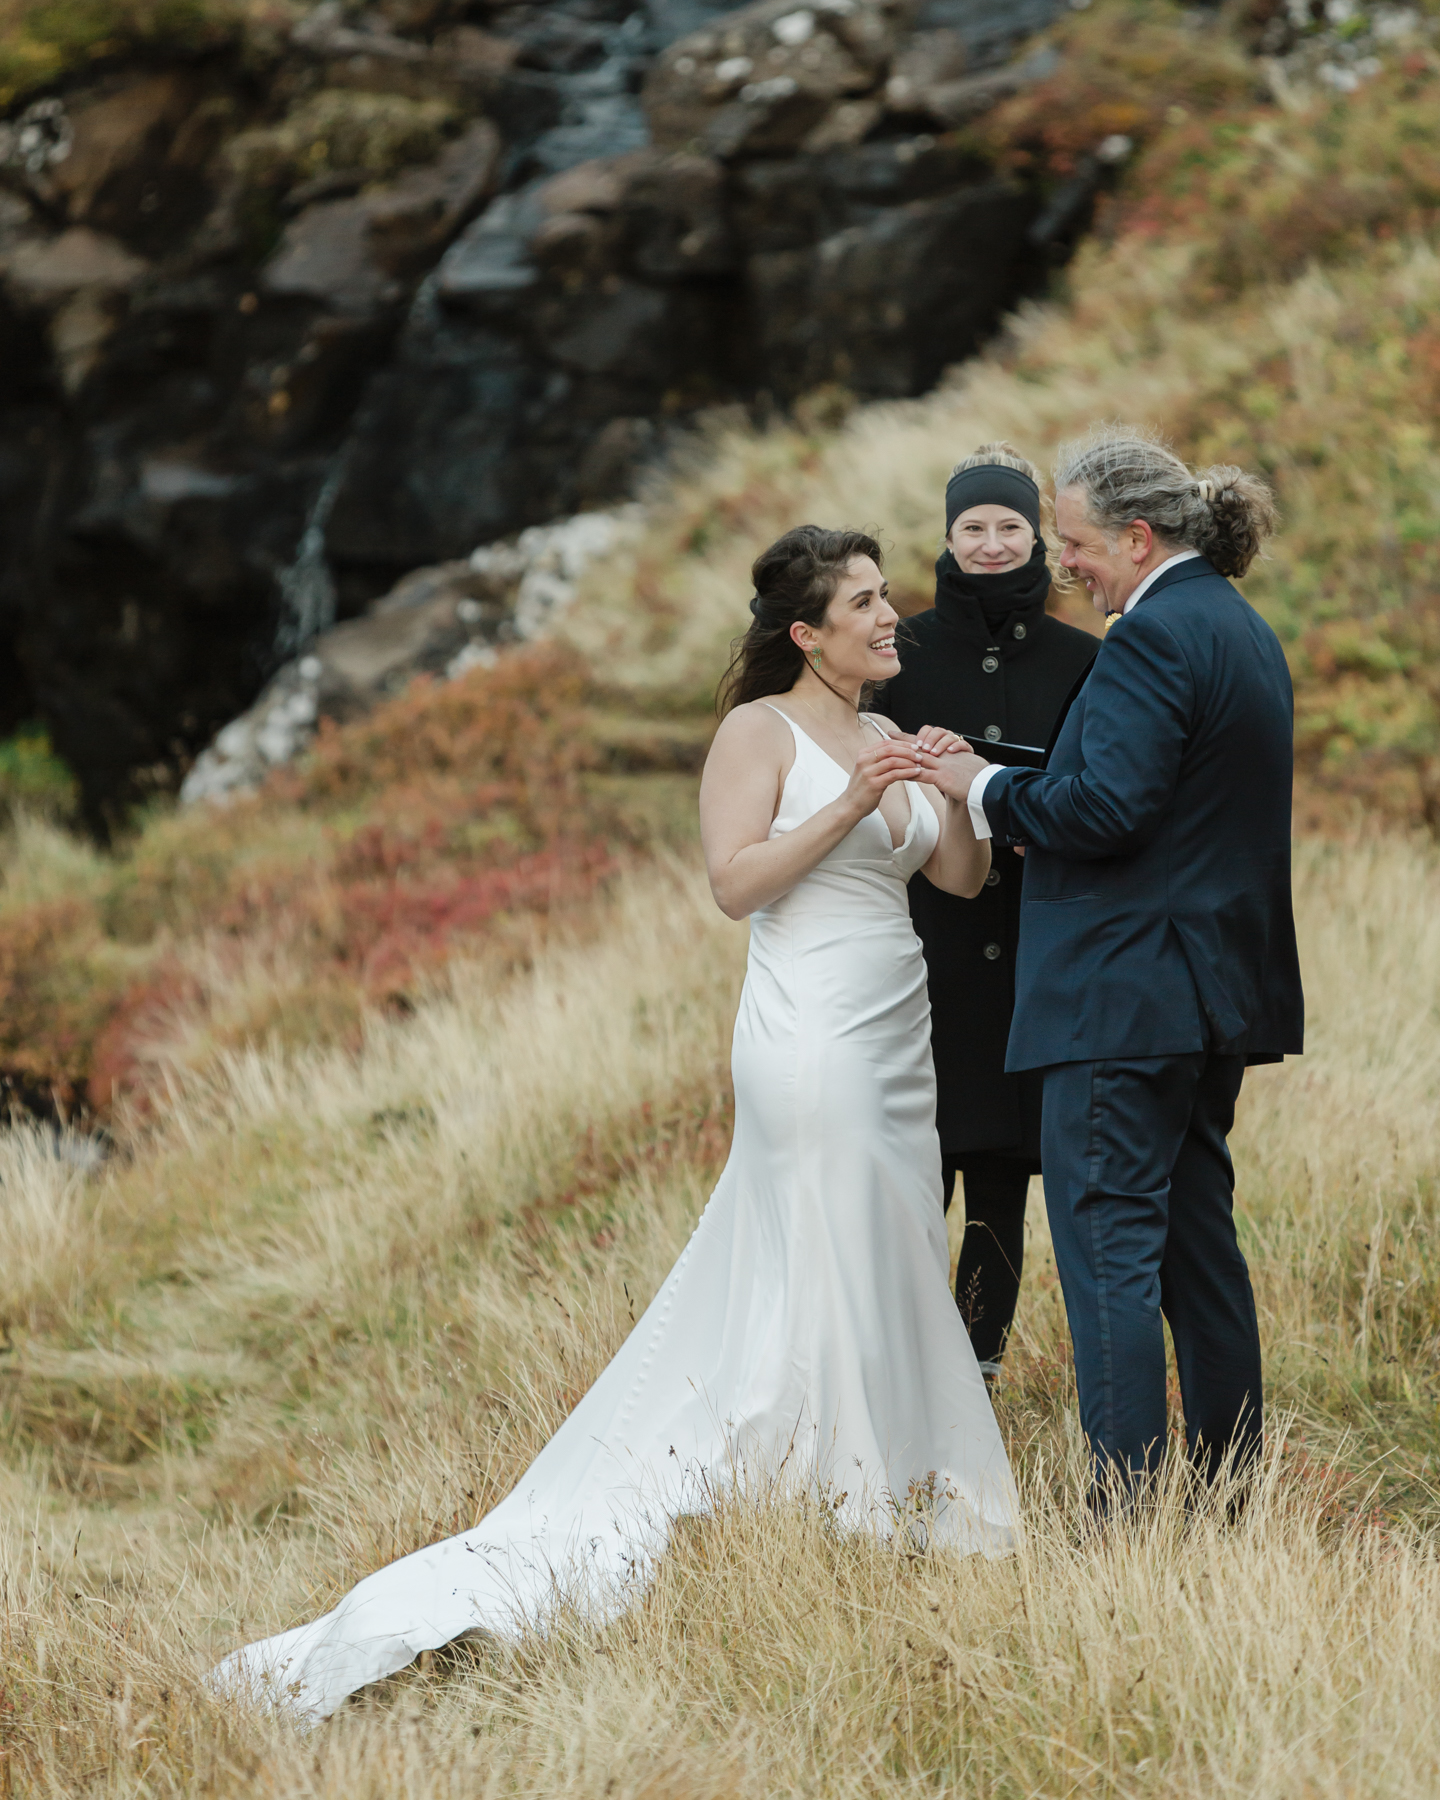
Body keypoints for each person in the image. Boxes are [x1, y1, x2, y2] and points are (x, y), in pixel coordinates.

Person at [214, 526, 1017, 1721]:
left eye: (885, 595)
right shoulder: (760, 734)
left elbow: (955, 880)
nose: (891, 614)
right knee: (829, 1239)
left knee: (891, 1239)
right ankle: (828, 1497)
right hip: (807, 1037)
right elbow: (734, 882)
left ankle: (884, 1487)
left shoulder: (891, 734)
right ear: (808, 633)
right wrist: (851, 798)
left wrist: (945, 787)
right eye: (865, 601)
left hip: (897, 1032)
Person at [916, 427, 1304, 1504]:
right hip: (1207, 993)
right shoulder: (1235, 627)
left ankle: (1123, 1516)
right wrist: (999, 768)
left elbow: (1106, 809)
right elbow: (1167, 797)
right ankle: (1227, 1492)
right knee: (1196, 1253)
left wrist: (983, 793)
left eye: (1076, 542)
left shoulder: (1146, 640)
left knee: (1108, 1262)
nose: (1066, 563)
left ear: (1136, 538)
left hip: (1119, 1001)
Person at [880, 443, 1097, 1379]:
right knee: (911, 1165)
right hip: (925, 943)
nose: (994, 542)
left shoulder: (1084, 657)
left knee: (1004, 1167)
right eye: (975, 526)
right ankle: (896, 1366)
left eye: (1012, 525)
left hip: (1039, 941)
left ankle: (977, 1371)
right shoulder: (903, 652)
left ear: (1038, 534)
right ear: (948, 536)